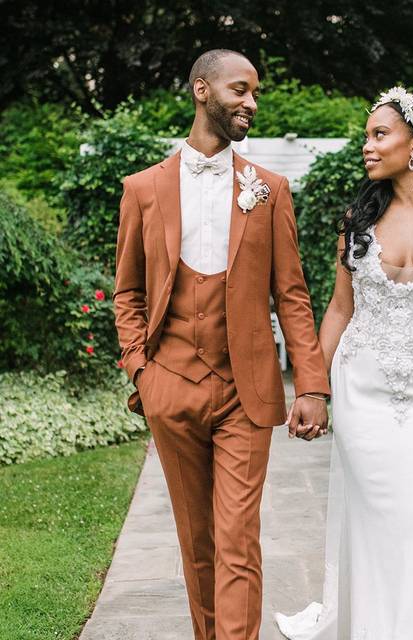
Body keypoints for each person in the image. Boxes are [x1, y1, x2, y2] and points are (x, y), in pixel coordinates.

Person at [113, 49, 330, 640]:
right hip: (170, 386)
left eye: (256, 94)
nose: (251, 104)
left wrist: (311, 383)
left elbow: (293, 295)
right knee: (197, 540)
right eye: (241, 91)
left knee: (238, 537)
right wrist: (141, 372)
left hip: (245, 389)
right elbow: (128, 293)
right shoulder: (142, 189)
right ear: (202, 90)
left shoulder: (270, 189)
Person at [275, 86, 413, 638]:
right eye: (367, 137)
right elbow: (339, 308)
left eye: (380, 135)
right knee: (376, 525)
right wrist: (311, 387)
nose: (368, 148)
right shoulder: (356, 219)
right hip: (363, 391)